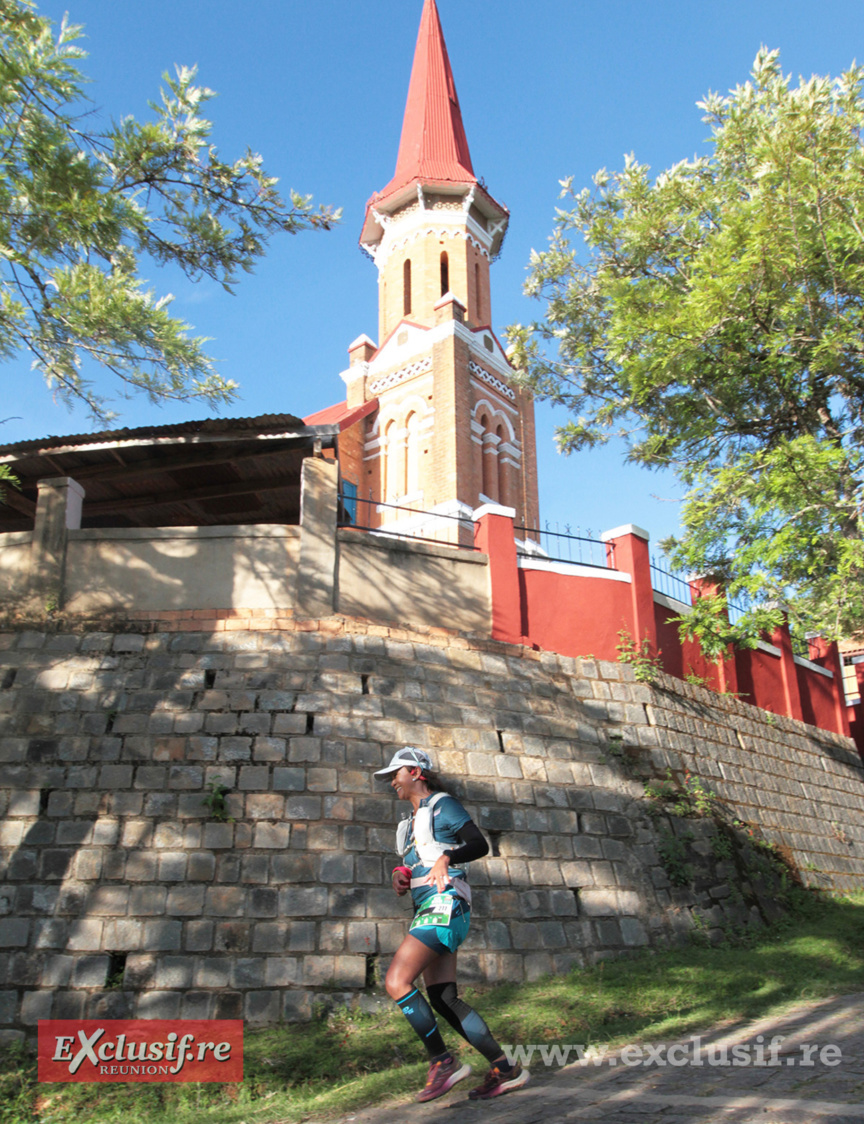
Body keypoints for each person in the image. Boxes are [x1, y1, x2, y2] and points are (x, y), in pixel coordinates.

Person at [374, 746, 530, 1103]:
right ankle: (505, 1070)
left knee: (397, 981)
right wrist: (402, 875)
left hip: (445, 905)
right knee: (445, 1000)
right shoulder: (410, 823)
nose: (391, 783)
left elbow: (477, 844)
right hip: (429, 907)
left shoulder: (443, 805)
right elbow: (419, 860)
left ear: (415, 773)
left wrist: (448, 857)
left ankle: (442, 1061)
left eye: (394, 775)